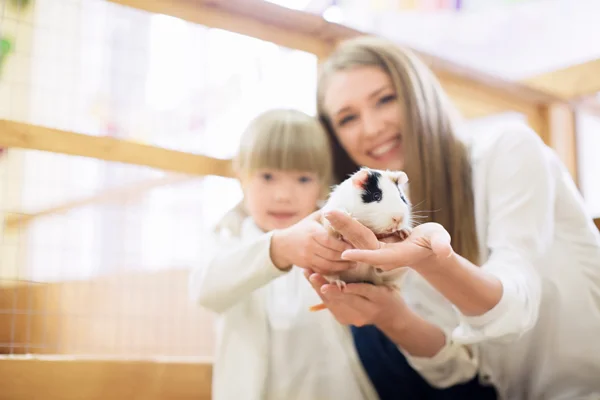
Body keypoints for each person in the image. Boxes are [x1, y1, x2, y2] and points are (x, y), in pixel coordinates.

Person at [273, 36, 600, 399]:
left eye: (385, 99)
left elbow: (516, 307)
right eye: (348, 118)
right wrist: (390, 316)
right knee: (368, 329)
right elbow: (461, 370)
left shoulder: (508, 151)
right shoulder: (390, 225)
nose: (371, 127)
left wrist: (435, 263)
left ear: (417, 93)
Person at [188, 108, 379, 400]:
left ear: (321, 182)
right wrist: (278, 248)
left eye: (302, 179)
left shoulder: (335, 232)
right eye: (267, 176)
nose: (283, 195)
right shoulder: (228, 235)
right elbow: (205, 290)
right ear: (241, 176)